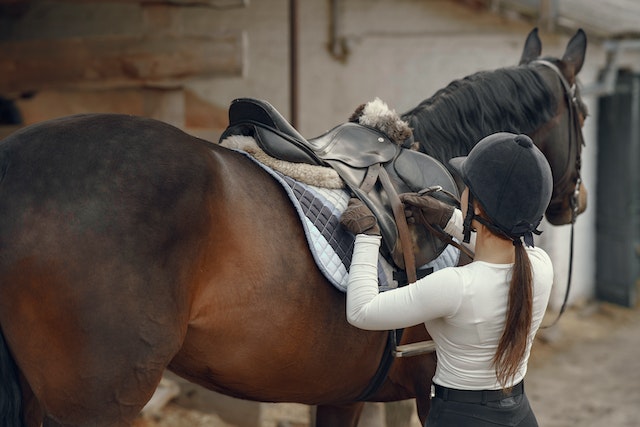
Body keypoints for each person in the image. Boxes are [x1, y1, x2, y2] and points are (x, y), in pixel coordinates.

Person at [340, 132, 554, 426]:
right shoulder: (541, 267)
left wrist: (367, 235)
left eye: (466, 188)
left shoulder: (454, 286)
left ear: (476, 207)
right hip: (519, 414)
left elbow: (361, 311)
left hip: (458, 417)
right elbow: (501, 246)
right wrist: (450, 219)